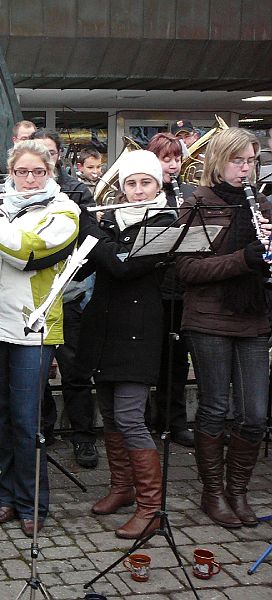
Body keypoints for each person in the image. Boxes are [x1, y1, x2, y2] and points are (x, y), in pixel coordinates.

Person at [0, 140, 80, 536]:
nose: (30, 179)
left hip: (32, 327)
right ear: (11, 173)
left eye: (38, 172)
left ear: (51, 172)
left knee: (27, 419)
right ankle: (8, 496)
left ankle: (34, 503)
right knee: (2, 414)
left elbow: (25, 251)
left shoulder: (64, 211)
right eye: (22, 172)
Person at [76, 150, 174, 539]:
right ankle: (122, 487)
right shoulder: (112, 221)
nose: (137, 190)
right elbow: (87, 267)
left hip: (139, 331)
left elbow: (123, 265)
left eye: (145, 182)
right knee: (110, 415)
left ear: (158, 184)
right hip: (104, 328)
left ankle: (151, 507)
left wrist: (88, 227)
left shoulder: (165, 222)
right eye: (130, 183)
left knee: (131, 416)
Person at [176, 127, 270, 529]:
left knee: (255, 414)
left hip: (254, 316)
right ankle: (212, 492)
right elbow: (187, 270)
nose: (245, 169)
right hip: (208, 318)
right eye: (237, 160)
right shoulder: (197, 204)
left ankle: (238, 490)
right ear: (218, 160)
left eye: (251, 161)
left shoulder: (261, 204)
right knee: (215, 407)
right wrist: (244, 259)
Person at [30, 129, 98, 467]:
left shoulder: (75, 190)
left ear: (58, 157)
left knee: (75, 371)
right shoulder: (19, 192)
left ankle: (83, 436)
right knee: (36, 375)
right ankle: (43, 431)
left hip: (67, 294)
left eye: (51, 154)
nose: (45, 160)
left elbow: (89, 240)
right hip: (32, 298)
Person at [145, 133, 196, 447]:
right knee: (148, 358)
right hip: (152, 288)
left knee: (178, 360)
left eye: (177, 159)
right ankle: (142, 421)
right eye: (166, 159)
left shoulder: (189, 193)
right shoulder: (145, 193)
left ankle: (173, 421)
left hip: (181, 289)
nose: (174, 165)